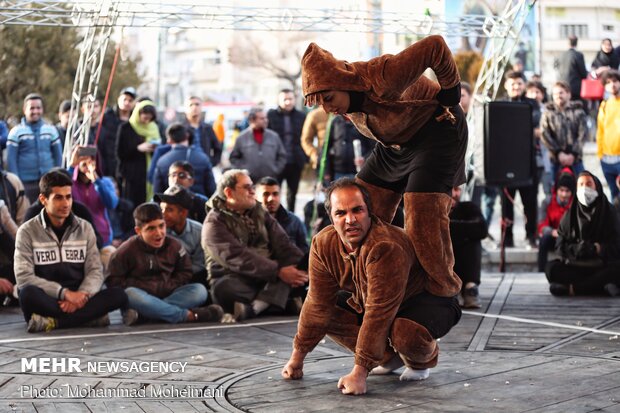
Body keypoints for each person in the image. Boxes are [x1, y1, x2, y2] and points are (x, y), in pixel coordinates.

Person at [300, 35, 467, 302]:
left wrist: (451, 89)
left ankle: (440, 290)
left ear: (342, 82)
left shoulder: (382, 76)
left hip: (437, 132)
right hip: (396, 144)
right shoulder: (344, 102)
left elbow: (435, 46)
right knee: (360, 208)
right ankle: (367, 280)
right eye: (321, 103)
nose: (328, 108)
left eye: (329, 98)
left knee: (421, 213)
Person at [282, 179, 461, 394]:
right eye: (341, 213)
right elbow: (317, 303)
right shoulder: (323, 243)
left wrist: (359, 372)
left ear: (369, 212)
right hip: (368, 299)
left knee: (404, 333)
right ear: (331, 218)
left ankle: (420, 362)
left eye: (357, 210)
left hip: (424, 302)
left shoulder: (386, 246)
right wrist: (297, 358)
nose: (350, 220)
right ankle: (389, 358)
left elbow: (379, 312)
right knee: (328, 311)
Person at [14, 170, 128, 332]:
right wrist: (64, 294)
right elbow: (24, 277)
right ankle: (88, 318)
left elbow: (95, 271)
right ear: (43, 200)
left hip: (79, 296)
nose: (66, 203)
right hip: (48, 298)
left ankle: (54, 322)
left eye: (69, 197)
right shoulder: (26, 231)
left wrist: (82, 294)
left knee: (119, 295)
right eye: (58, 198)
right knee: (27, 294)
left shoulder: (85, 227)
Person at [202, 169, 307, 320]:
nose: (252, 192)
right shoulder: (214, 222)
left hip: (268, 276)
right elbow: (238, 257)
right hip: (236, 277)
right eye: (246, 187)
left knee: (297, 274)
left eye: (252, 187)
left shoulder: (259, 211)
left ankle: (255, 308)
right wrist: (278, 272)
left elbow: (284, 244)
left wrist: (303, 267)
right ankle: (283, 304)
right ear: (229, 192)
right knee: (224, 288)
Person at [106, 203, 223, 325]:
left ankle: (145, 316)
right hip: (141, 298)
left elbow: (185, 272)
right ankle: (187, 316)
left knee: (200, 290)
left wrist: (168, 286)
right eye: (151, 228)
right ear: (138, 231)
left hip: (169, 294)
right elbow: (114, 282)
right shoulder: (126, 250)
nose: (159, 233)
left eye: (161, 226)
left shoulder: (174, 245)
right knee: (130, 294)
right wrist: (147, 287)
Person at [545, 171, 620, 297]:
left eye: (589, 184)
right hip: (577, 266)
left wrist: (598, 248)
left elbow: (617, 245)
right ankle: (599, 288)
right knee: (551, 268)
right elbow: (560, 247)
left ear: (597, 186)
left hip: (601, 264)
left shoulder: (609, 212)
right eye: (581, 185)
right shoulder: (569, 216)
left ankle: (574, 289)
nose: (585, 188)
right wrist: (575, 249)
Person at [498, 71, 540, 248]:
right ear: (507, 85)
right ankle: (507, 239)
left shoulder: (532, 104)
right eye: (512, 84)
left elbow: (535, 124)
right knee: (506, 204)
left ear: (524, 85)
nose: (516, 87)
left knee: (530, 202)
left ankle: (531, 236)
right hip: (505, 161)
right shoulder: (499, 104)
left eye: (519, 84)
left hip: (527, 161)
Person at [7, 93, 63, 203]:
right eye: (32, 108)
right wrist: (17, 184)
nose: (35, 111)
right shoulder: (15, 132)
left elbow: (58, 156)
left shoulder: (51, 130)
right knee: (28, 216)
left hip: (49, 183)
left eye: (38, 108)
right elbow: (11, 160)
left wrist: (57, 177)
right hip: (26, 184)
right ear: (24, 109)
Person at [155, 185, 207, 284]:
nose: (163, 214)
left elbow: (199, 265)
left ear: (183, 213)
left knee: (200, 291)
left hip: (188, 280)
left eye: (169, 210)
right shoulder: (158, 230)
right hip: (161, 280)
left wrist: (177, 276)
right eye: (161, 209)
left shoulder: (199, 231)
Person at [68, 146, 118, 248]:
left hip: (102, 235)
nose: (88, 161)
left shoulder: (105, 182)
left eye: (92, 158)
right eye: (84, 157)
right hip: (77, 236)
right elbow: (58, 183)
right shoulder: (71, 184)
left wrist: (97, 181)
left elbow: (112, 203)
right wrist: (72, 166)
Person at [267, 89, 308, 211]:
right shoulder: (270, 116)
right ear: (279, 100)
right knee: (274, 192)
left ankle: (291, 218)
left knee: (292, 193)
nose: (287, 102)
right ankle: (275, 217)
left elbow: (307, 137)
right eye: (284, 99)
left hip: (295, 161)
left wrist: (305, 157)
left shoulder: (301, 116)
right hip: (277, 161)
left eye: (290, 99)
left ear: (294, 100)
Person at [116, 99, 159, 209]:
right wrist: (137, 149)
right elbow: (119, 153)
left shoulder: (153, 127)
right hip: (132, 176)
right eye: (144, 118)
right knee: (132, 207)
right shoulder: (126, 128)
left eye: (149, 119)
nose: (146, 121)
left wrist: (154, 148)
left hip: (149, 173)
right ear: (138, 114)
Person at [540, 81, 588, 181]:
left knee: (581, 189)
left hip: (576, 160)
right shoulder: (548, 113)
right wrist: (558, 153)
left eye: (561, 93)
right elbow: (544, 134)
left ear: (568, 94)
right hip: (556, 160)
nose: (558, 96)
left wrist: (573, 154)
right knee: (555, 191)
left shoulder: (579, 112)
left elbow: (583, 134)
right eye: (555, 94)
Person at [152, 123, 216, 197]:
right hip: (198, 204)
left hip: (171, 204)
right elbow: (211, 189)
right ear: (187, 136)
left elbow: (157, 190)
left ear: (169, 140)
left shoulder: (162, 161)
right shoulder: (203, 158)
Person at [449, 185, 488, 309]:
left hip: (466, 261)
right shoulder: (432, 209)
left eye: (457, 190)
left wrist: (449, 227)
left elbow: (481, 229)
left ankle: (470, 288)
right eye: (452, 189)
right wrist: (465, 230)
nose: (455, 194)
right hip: (446, 264)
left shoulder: (468, 207)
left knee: (473, 241)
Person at [229, 108, 287, 184]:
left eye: (266, 118)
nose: (266, 120)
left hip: (269, 180)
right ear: (252, 120)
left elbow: (282, 156)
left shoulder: (274, 136)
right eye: (262, 118)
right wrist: (244, 170)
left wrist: (275, 169)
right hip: (249, 182)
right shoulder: (241, 138)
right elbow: (233, 158)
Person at [255, 176, 308, 254]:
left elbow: (305, 252)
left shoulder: (294, 222)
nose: (271, 199)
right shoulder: (248, 221)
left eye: (275, 194)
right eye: (266, 194)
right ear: (256, 197)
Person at [537, 170, 575, 272]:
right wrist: (552, 232)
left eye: (567, 191)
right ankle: (541, 269)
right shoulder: (547, 202)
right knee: (544, 240)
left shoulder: (576, 205)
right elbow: (541, 225)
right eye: (561, 190)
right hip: (553, 236)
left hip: (569, 238)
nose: (564, 194)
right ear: (556, 190)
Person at [98, 87, 137, 178]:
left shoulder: (135, 120)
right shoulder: (107, 116)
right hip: (107, 162)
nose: (127, 103)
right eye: (125, 99)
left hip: (127, 165)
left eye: (130, 100)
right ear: (119, 99)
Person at [323, 115, 375, 182]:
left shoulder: (363, 121)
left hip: (359, 172)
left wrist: (365, 159)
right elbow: (325, 148)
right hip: (338, 172)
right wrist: (326, 171)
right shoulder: (335, 121)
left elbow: (374, 147)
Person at [597, 70, 620, 201]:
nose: (612, 85)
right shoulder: (604, 105)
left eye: (615, 81)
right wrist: (600, 154)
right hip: (606, 159)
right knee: (613, 195)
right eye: (608, 82)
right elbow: (600, 130)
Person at [182, 96, 222, 166]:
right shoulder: (181, 128)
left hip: (204, 167)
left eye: (197, 104)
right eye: (191, 105)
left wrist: (211, 163)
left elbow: (217, 148)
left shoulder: (208, 128)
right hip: (186, 168)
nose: (194, 107)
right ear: (185, 109)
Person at [557, 35, 589, 102]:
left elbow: (556, 67)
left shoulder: (561, 55)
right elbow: (583, 73)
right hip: (575, 88)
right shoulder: (578, 55)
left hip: (562, 87)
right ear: (576, 43)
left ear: (568, 43)